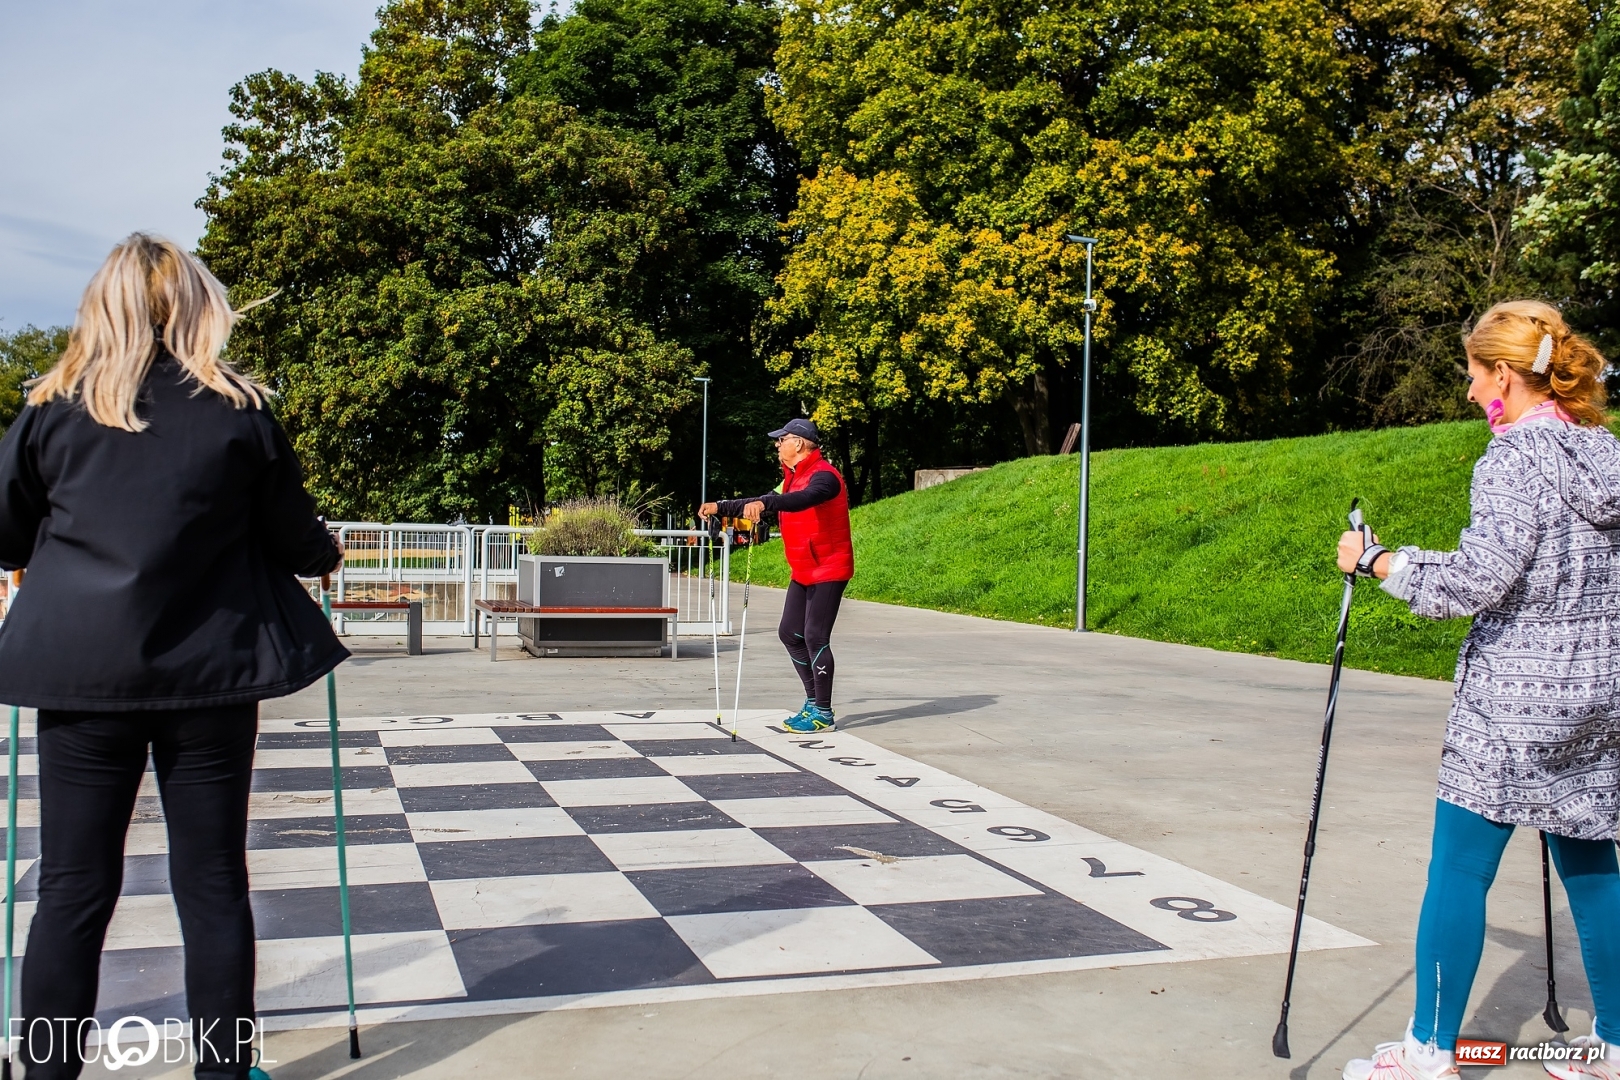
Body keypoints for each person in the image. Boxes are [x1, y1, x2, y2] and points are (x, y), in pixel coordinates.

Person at [0, 234, 347, 1080]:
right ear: (194, 307)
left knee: (72, 888)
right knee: (212, 880)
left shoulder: (51, 408)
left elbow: (4, 534)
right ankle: (223, 1072)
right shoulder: (237, 412)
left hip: (81, 679)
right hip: (209, 677)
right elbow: (300, 546)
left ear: (101, 305)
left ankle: (46, 1072)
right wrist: (324, 551)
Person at [1337, 301, 1620, 1080]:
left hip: (1510, 703)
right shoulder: (1606, 453)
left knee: (1458, 871)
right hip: (1596, 695)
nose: (1468, 394)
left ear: (1504, 374)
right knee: (1592, 864)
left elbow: (1473, 579)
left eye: (1472, 376)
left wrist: (1379, 562)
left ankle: (1429, 1051)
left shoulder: (1511, 459)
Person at [700, 418, 854, 732]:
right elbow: (763, 500)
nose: (776, 444)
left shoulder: (825, 476)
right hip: (803, 569)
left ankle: (823, 712)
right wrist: (719, 507)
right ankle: (813, 702)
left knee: (814, 636)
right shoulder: (792, 478)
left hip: (829, 567)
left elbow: (801, 501)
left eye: (780, 439)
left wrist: (766, 502)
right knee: (789, 633)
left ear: (798, 443)